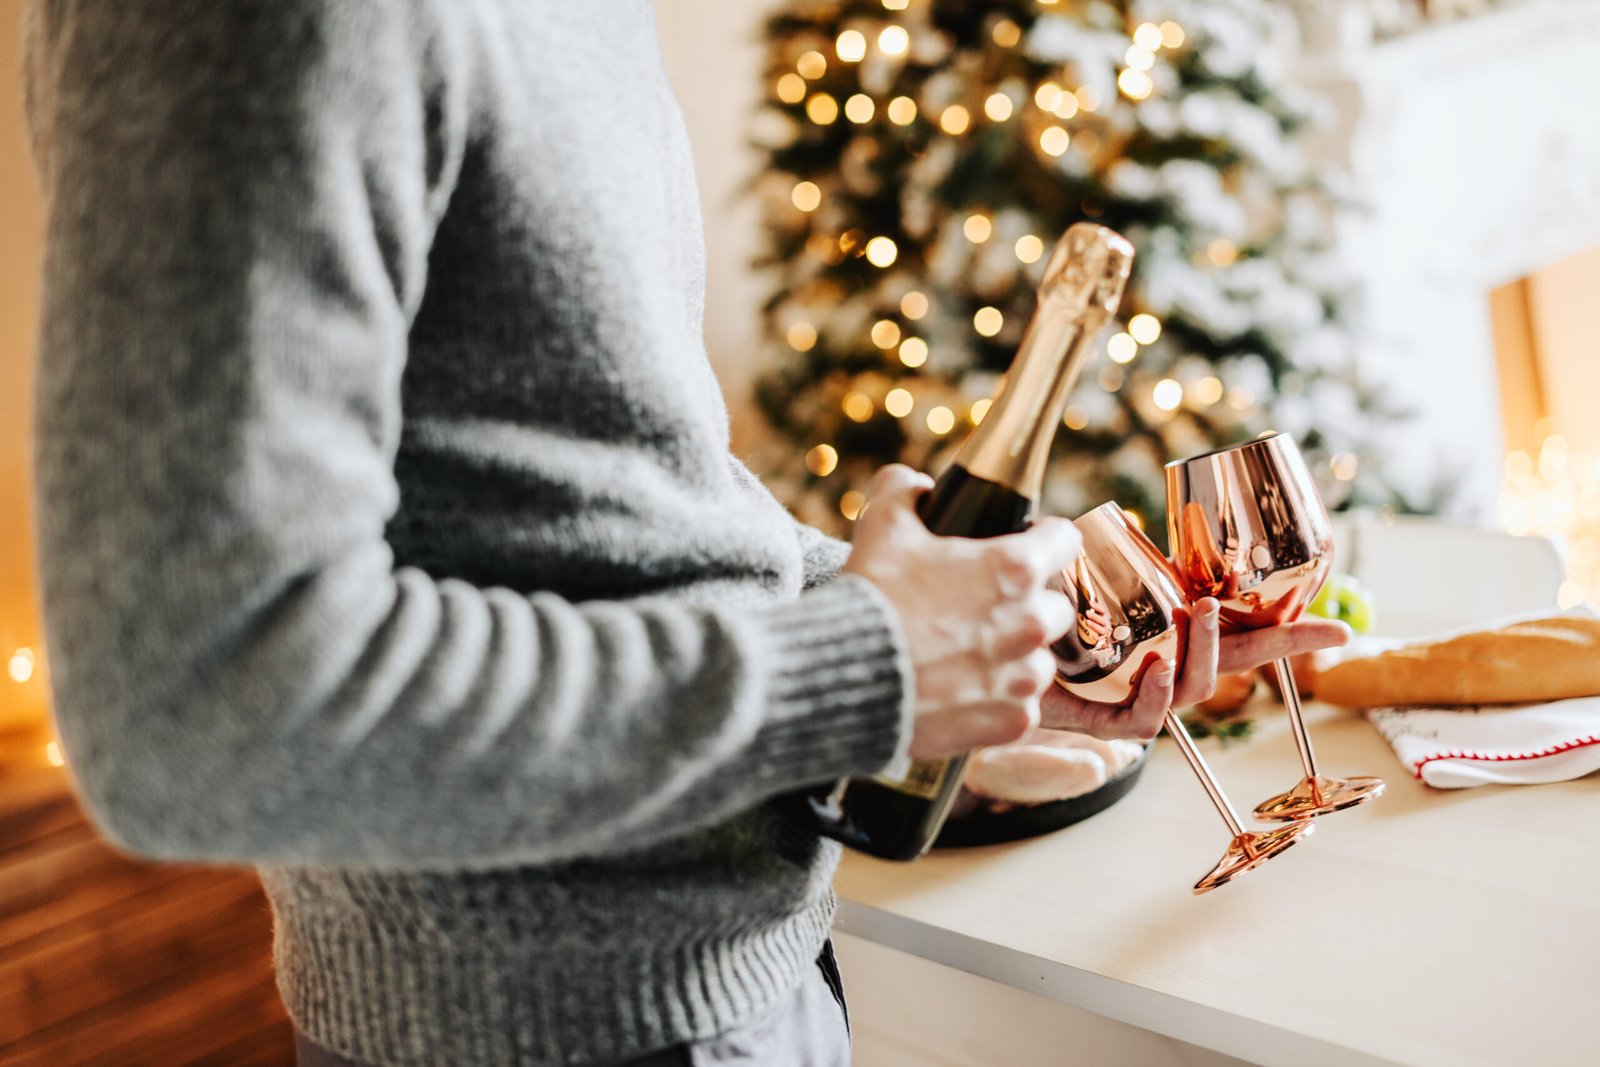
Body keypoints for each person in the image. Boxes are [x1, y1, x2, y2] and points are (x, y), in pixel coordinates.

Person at [22, 3, 1348, 1064]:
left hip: (741, 987)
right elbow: (191, 708)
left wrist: (952, 631)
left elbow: (583, 499)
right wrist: (862, 661)